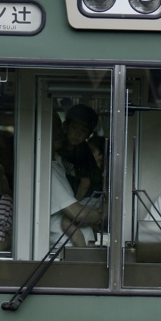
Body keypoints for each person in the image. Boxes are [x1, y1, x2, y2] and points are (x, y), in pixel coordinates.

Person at [50, 105, 103, 247]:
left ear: (89, 135)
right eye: (74, 128)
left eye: (83, 131)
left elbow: (85, 182)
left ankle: (81, 250)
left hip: (92, 194)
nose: (77, 134)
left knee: (68, 221)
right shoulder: (61, 151)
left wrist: (76, 203)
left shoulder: (81, 151)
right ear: (65, 127)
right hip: (85, 196)